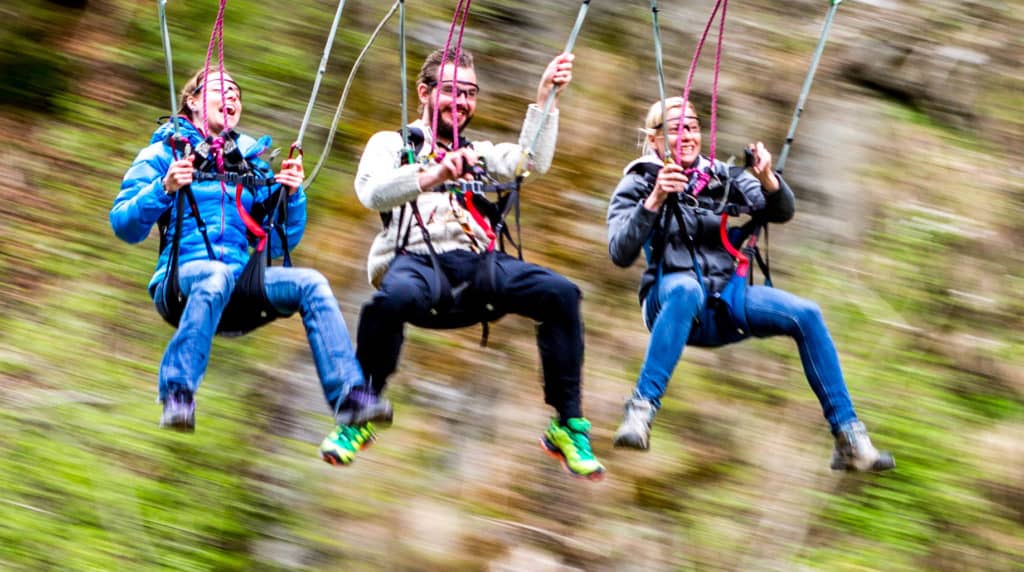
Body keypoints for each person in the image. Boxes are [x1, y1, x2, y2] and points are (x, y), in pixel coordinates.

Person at [111, 68, 390, 465]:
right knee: (215, 275)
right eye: (222, 90)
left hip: (242, 284)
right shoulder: (162, 155)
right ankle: (177, 392)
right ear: (192, 100)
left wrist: (290, 197)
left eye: (237, 93)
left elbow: (278, 241)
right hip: (183, 283)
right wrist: (165, 187)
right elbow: (124, 224)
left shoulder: (251, 164)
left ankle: (350, 398)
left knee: (310, 282)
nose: (233, 98)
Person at [350, 48, 604, 480]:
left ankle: (567, 424)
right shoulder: (394, 144)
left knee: (560, 294)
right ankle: (359, 409)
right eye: (451, 91)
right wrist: (432, 175)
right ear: (424, 92)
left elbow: (530, 162)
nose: (462, 102)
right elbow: (372, 193)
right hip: (414, 261)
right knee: (389, 302)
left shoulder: (477, 153)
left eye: (470, 93)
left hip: (475, 265)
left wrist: (546, 99)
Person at [606, 96, 895, 472]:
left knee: (807, 314)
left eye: (692, 127)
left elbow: (781, 211)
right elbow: (619, 251)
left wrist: (768, 179)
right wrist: (656, 198)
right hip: (670, 301)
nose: (688, 136)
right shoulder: (640, 181)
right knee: (686, 289)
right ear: (655, 140)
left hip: (727, 300)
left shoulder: (724, 178)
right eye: (676, 129)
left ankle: (849, 437)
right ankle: (640, 411)